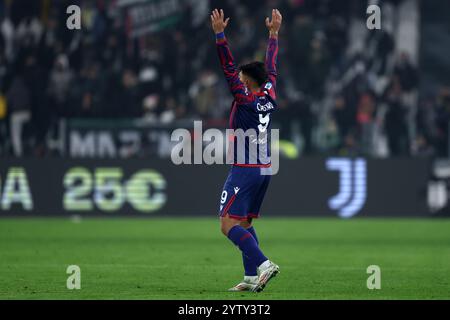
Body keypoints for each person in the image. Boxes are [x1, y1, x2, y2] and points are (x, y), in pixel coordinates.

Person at [211, 8, 282, 292]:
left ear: (247, 81)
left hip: (245, 169)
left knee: (227, 224)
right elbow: (272, 68)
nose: (237, 79)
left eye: (241, 77)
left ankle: (265, 264)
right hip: (264, 169)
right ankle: (251, 276)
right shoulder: (269, 95)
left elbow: (228, 67)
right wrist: (274, 35)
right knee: (243, 221)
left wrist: (220, 35)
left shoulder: (245, 99)